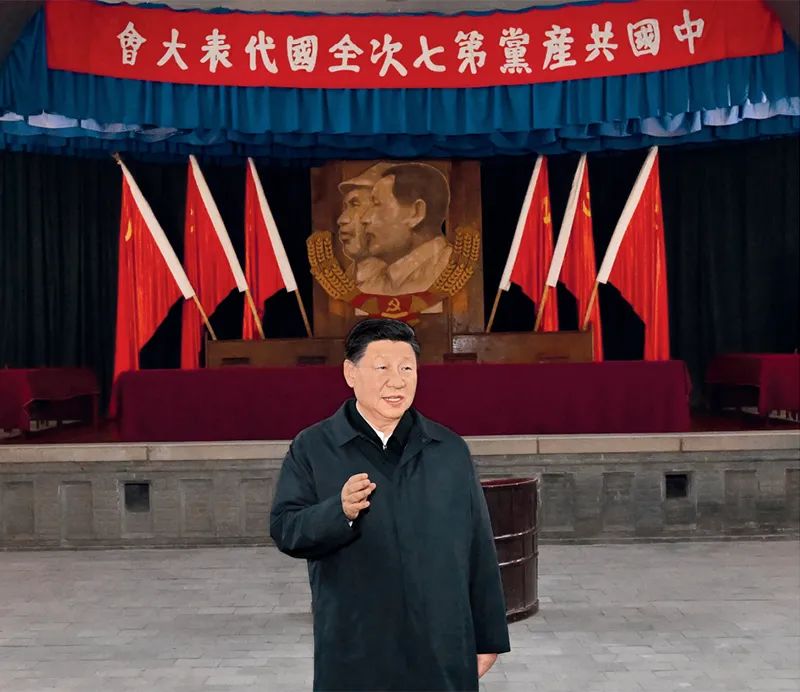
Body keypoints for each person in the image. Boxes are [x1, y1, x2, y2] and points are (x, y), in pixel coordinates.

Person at [270, 318, 510, 691]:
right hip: (356, 647)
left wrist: (489, 636)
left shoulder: (448, 450)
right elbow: (286, 528)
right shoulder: (314, 447)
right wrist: (339, 511)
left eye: (406, 369)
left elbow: (478, 546)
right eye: (382, 368)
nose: (396, 381)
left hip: (440, 644)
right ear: (350, 373)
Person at [359, 163, 453, 296]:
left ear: (416, 213)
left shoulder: (449, 270)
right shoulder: (371, 283)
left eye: (376, 204)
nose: (365, 218)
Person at [337, 163, 391, 289]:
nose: (342, 219)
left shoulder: (408, 279)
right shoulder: (348, 277)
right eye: (346, 207)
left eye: (355, 205)